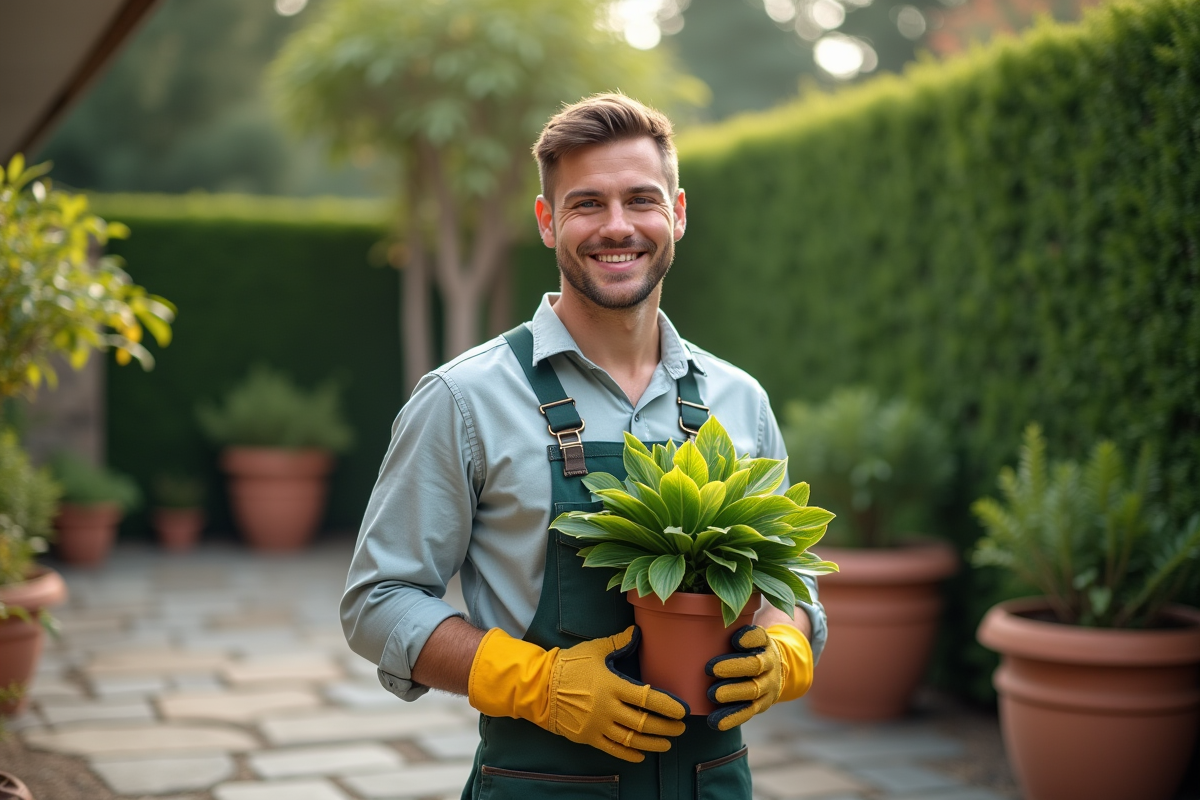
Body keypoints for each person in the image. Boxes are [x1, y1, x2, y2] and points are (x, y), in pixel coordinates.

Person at [342, 92, 828, 800]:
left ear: (679, 213)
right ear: (547, 222)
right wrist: (538, 685)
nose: (618, 227)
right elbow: (378, 600)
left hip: (713, 784)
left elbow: (792, 583)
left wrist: (787, 645)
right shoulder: (465, 399)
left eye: (641, 199)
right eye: (586, 204)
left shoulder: (739, 402)